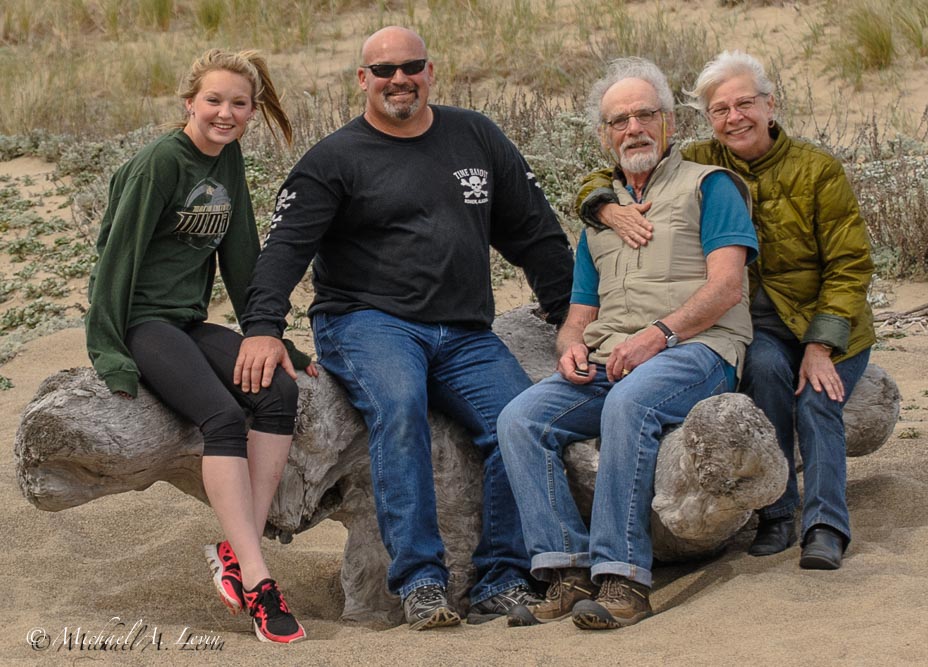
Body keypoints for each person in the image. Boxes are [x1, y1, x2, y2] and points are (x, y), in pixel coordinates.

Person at [233, 26, 575, 630]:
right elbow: (284, 247)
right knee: (400, 405)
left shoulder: (476, 136)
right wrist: (262, 327)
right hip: (368, 323)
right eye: (384, 70)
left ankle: (501, 577)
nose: (399, 79)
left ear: (430, 71)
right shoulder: (334, 159)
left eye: (410, 66)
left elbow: (533, 229)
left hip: (465, 333)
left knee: (521, 419)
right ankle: (420, 581)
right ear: (363, 80)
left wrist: (569, 307)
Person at [576, 50, 876, 570]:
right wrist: (604, 206)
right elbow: (611, 169)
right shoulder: (700, 160)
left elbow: (850, 267)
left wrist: (822, 346)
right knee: (762, 373)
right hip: (754, 326)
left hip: (823, 319)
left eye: (745, 104)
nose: (734, 117)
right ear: (707, 119)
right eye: (720, 109)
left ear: (770, 105)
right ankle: (778, 515)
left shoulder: (817, 170)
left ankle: (825, 523)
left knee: (817, 398)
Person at [497, 57, 758, 630]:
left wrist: (658, 335)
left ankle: (622, 580)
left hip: (699, 351)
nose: (633, 128)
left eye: (645, 114)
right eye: (619, 120)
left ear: (669, 123)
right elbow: (580, 310)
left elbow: (727, 285)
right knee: (520, 418)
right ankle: (566, 571)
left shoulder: (708, 187)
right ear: (603, 134)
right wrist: (569, 344)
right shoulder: (600, 218)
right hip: (613, 359)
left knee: (630, 402)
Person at [85, 48, 317, 644]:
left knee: (277, 391)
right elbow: (117, 257)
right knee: (221, 416)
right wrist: (109, 349)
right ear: (188, 102)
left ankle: (235, 550)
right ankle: (261, 582)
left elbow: (240, 252)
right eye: (214, 100)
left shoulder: (229, 159)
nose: (226, 113)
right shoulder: (162, 162)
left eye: (240, 104)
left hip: (187, 320)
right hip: (143, 321)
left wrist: (269, 335)